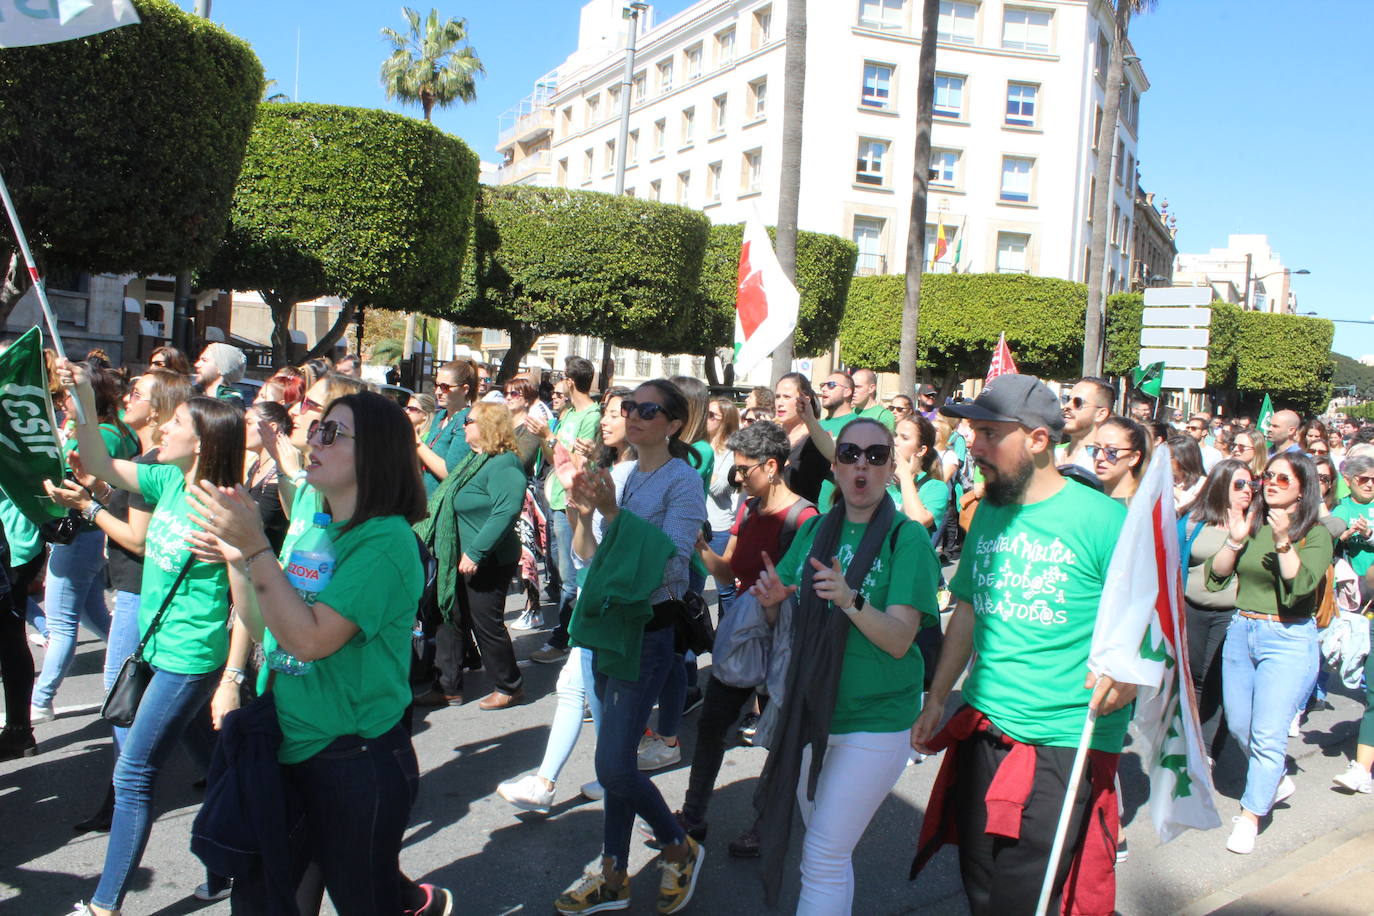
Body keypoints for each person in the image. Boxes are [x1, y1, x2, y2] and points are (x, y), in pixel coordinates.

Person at [188, 391, 449, 914]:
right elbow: (270, 629)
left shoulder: (386, 542)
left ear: (374, 451)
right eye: (316, 430)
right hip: (287, 745)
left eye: (332, 433)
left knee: (365, 904)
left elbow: (310, 639)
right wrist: (240, 558)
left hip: (353, 761)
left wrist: (258, 548)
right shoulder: (317, 528)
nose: (313, 440)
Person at [911, 373, 1134, 916]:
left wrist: (1129, 677)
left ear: (1038, 440)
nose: (971, 443)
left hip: (1063, 738)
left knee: (1025, 896)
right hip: (985, 723)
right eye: (970, 431)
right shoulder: (988, 509)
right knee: (980, 881)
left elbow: (1152, 629)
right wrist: (939, 696)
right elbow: (967, 606)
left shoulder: (1107, 520)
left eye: (989, 432)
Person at [56, 359, 244, 916]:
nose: (162, 429)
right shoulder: (163, 477)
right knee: (216, 766)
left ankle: (104, 905)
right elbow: (94, 460)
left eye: (176, 423)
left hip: (191, 659)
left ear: (203, 442)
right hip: (156, 647)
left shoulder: (227, 510)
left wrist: (230, 679)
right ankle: (227, 866)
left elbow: (249, 606)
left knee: (134, 771)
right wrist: (85, 397)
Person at [751, 417, 938, 912]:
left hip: (875, 722)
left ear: (890, 468)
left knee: (823, 853)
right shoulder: (816, 530)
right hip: (813, 710)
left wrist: (850, 601)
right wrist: (771, 599)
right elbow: (784, 607)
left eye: (876, 457)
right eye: (851, 454)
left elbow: (900, 640)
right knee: (830, 851)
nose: (862, 465)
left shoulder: (906, 538)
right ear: (834, 467)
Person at [552, 379, 707, 915]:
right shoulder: (619, 473)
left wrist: (613, 514)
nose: (633, 416)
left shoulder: (683, 481)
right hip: (605, 626)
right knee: (612, 759)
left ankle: (677, 846)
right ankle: (614, 873)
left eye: (647, 409)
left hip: (649, 630)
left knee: (616, 766)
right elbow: (590, 557)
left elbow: (673, 563)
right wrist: (580, 514)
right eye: (627, 408)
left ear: (672, 423)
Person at [42, 367, 194, 828]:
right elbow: (109, 476)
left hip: (137, 589)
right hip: (133, 588)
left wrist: (89, 508)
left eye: (139, 392)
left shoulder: (160, 465)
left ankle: (126, 791)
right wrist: (96, 489)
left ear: (163, 407)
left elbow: (140, 539)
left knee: (122, 694)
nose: (129, 397)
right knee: (166, 708)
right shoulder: (149, 459)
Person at [495, 387, 635, 814]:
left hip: (615, 604)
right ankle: (549, 782)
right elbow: (583, 544)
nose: (605, 421)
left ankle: (614, 779)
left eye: (615, 414)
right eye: (606, 413)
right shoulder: (608, 467)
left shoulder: (635, 475)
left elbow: (626, 545)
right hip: (594, 596)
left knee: (592, 694)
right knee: (575, 689)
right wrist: (579, 500)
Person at [680, 420, 817, 851]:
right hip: (743, 634)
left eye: (744, 469)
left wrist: (775, 606)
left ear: (772, 466)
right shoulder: (747, 507)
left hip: (784, 636)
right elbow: (727, 569)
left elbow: (803, 592)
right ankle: (693, 814)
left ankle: (765, 824)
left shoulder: (805, 518)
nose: (738, 478)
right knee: (712, 725)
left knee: (778, 738)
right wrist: (699, 545)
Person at [1211, 453, 1332, 855]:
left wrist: (1284, 542)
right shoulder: (1254, 524)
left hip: (1288, 636)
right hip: (1242, 629)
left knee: (1267, 734)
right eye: (1269, 476)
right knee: (1239, 727)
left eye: (1284, 478)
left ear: (1303, 488)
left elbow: (1299, 587)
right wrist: (1236, 539)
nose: (1272, 483)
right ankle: (1275, 778)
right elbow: (1217, 577)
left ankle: (1250, 814)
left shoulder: (1315, 534)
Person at [31, 364, 140, 722]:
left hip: (80, 532)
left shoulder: (103, 434)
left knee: (61, 625)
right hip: (90, 534)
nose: (62, 402)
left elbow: (87, 482)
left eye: (68, 395)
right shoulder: (114, 430)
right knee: (95, 612)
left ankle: (41, 700)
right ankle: (130, 659)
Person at [430, 402, 529, 709]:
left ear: (488, 426)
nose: (464, 426)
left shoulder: (504, 463)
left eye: (470, 421)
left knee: (485, 623)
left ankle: (509, 685)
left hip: (487, 560)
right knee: (450, 616)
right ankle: (449, 686)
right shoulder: (474, 461)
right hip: (456, 557)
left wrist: (475, 552)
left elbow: (506, 511)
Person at [1180, 459, 1255, 758]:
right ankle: (1188, 743)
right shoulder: (1194, 519)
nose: (1247, 490)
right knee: (1193, 678)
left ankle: (1208, 751)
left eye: (1251, 484)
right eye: (1239, 484)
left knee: (1217, 679)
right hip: (1190, 607)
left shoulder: (1256, 523)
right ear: (1220, 484)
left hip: (1231, 614)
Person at [531, 357, 603, 665]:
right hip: (557, 499)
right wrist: (544, 438)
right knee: (562, 574)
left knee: (572, 577)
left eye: (560, 378)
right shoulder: (569, 413)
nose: (557, 385)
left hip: (574, 503)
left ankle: (565, 639)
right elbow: (553, 457)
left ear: (569, 382)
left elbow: (577, 462)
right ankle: (570, 635)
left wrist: (549, 435)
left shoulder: (591, 415)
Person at [703, 396, 742, 615]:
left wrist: (701, 474)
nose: (706, 419)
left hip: (719, 528)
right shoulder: (700, 446)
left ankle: (730, 634)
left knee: (724, 588)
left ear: (724, 420)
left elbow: (719, 487)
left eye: (712, 415)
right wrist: (711, 475)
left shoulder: (730, 451)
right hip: (698, 524)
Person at [774, 372, 835, 505]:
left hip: (797, 518)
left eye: (787, 397)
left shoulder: (816, 441)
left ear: (805, 400)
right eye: (777, 397)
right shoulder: (772, 435)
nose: (780, 403)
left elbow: (801, 486)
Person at [417, 358, 476, 496]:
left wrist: (417, 442)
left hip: (441, 505)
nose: (438, 391)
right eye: (436, 385)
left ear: (464, 389)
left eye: (445, 387)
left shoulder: (467, 421)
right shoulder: (440, 415)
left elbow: (450, 473)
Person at [244, 401, 293, 554]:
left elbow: (261, 523)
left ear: (271, 427)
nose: (242, 429)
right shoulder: (257, 464)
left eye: (248, 423)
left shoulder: (279, 473)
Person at [891, 413, 950, 533]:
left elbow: (917, 521)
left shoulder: (936, 487)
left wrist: (905, 475)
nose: (895, 441)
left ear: (921, 450)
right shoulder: (881, 477)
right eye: (895, 435)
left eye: (904, 438)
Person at [1089, 415, 1149, 504]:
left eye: (1111, 451)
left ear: (1134, 457)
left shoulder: (1142, 507)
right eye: (1096, 449)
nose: (1099, 457)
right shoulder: (1088, 497)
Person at [1058, 377, 1114, 469]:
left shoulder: (1104, 462)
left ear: (1100, 414)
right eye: (1067, 399)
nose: (1067, 406)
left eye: (1078, 402)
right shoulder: (1050, 454)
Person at [193, 342, 247, 408]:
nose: (196, 364)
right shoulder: (190, 395)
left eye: (204, 360)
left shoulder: (231, 404)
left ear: (221, 368)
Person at [1170, 434, 1207, 515]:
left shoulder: (1202, 484)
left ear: (1184, 459)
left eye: (1169, 456)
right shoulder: (1166, 479)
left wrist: (1171, 488)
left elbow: (1189, 506)